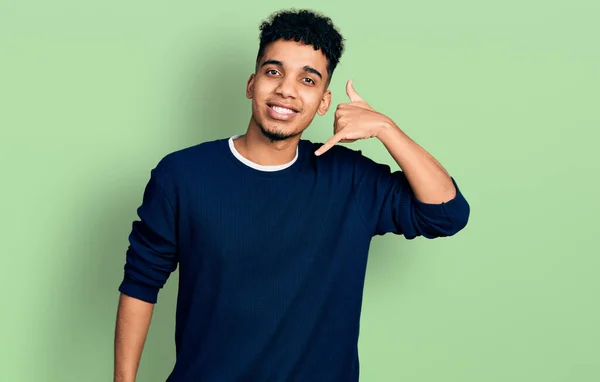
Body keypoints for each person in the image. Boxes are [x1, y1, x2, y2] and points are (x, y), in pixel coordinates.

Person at [114, 8, 470, 382]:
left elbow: (447, 213)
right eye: (274, 72)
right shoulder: (182, 175)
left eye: (307, 79)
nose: (286, 89)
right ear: (251, 84)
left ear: (324, 102)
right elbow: (141, 283)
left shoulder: (350, 180)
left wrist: (386, 129)